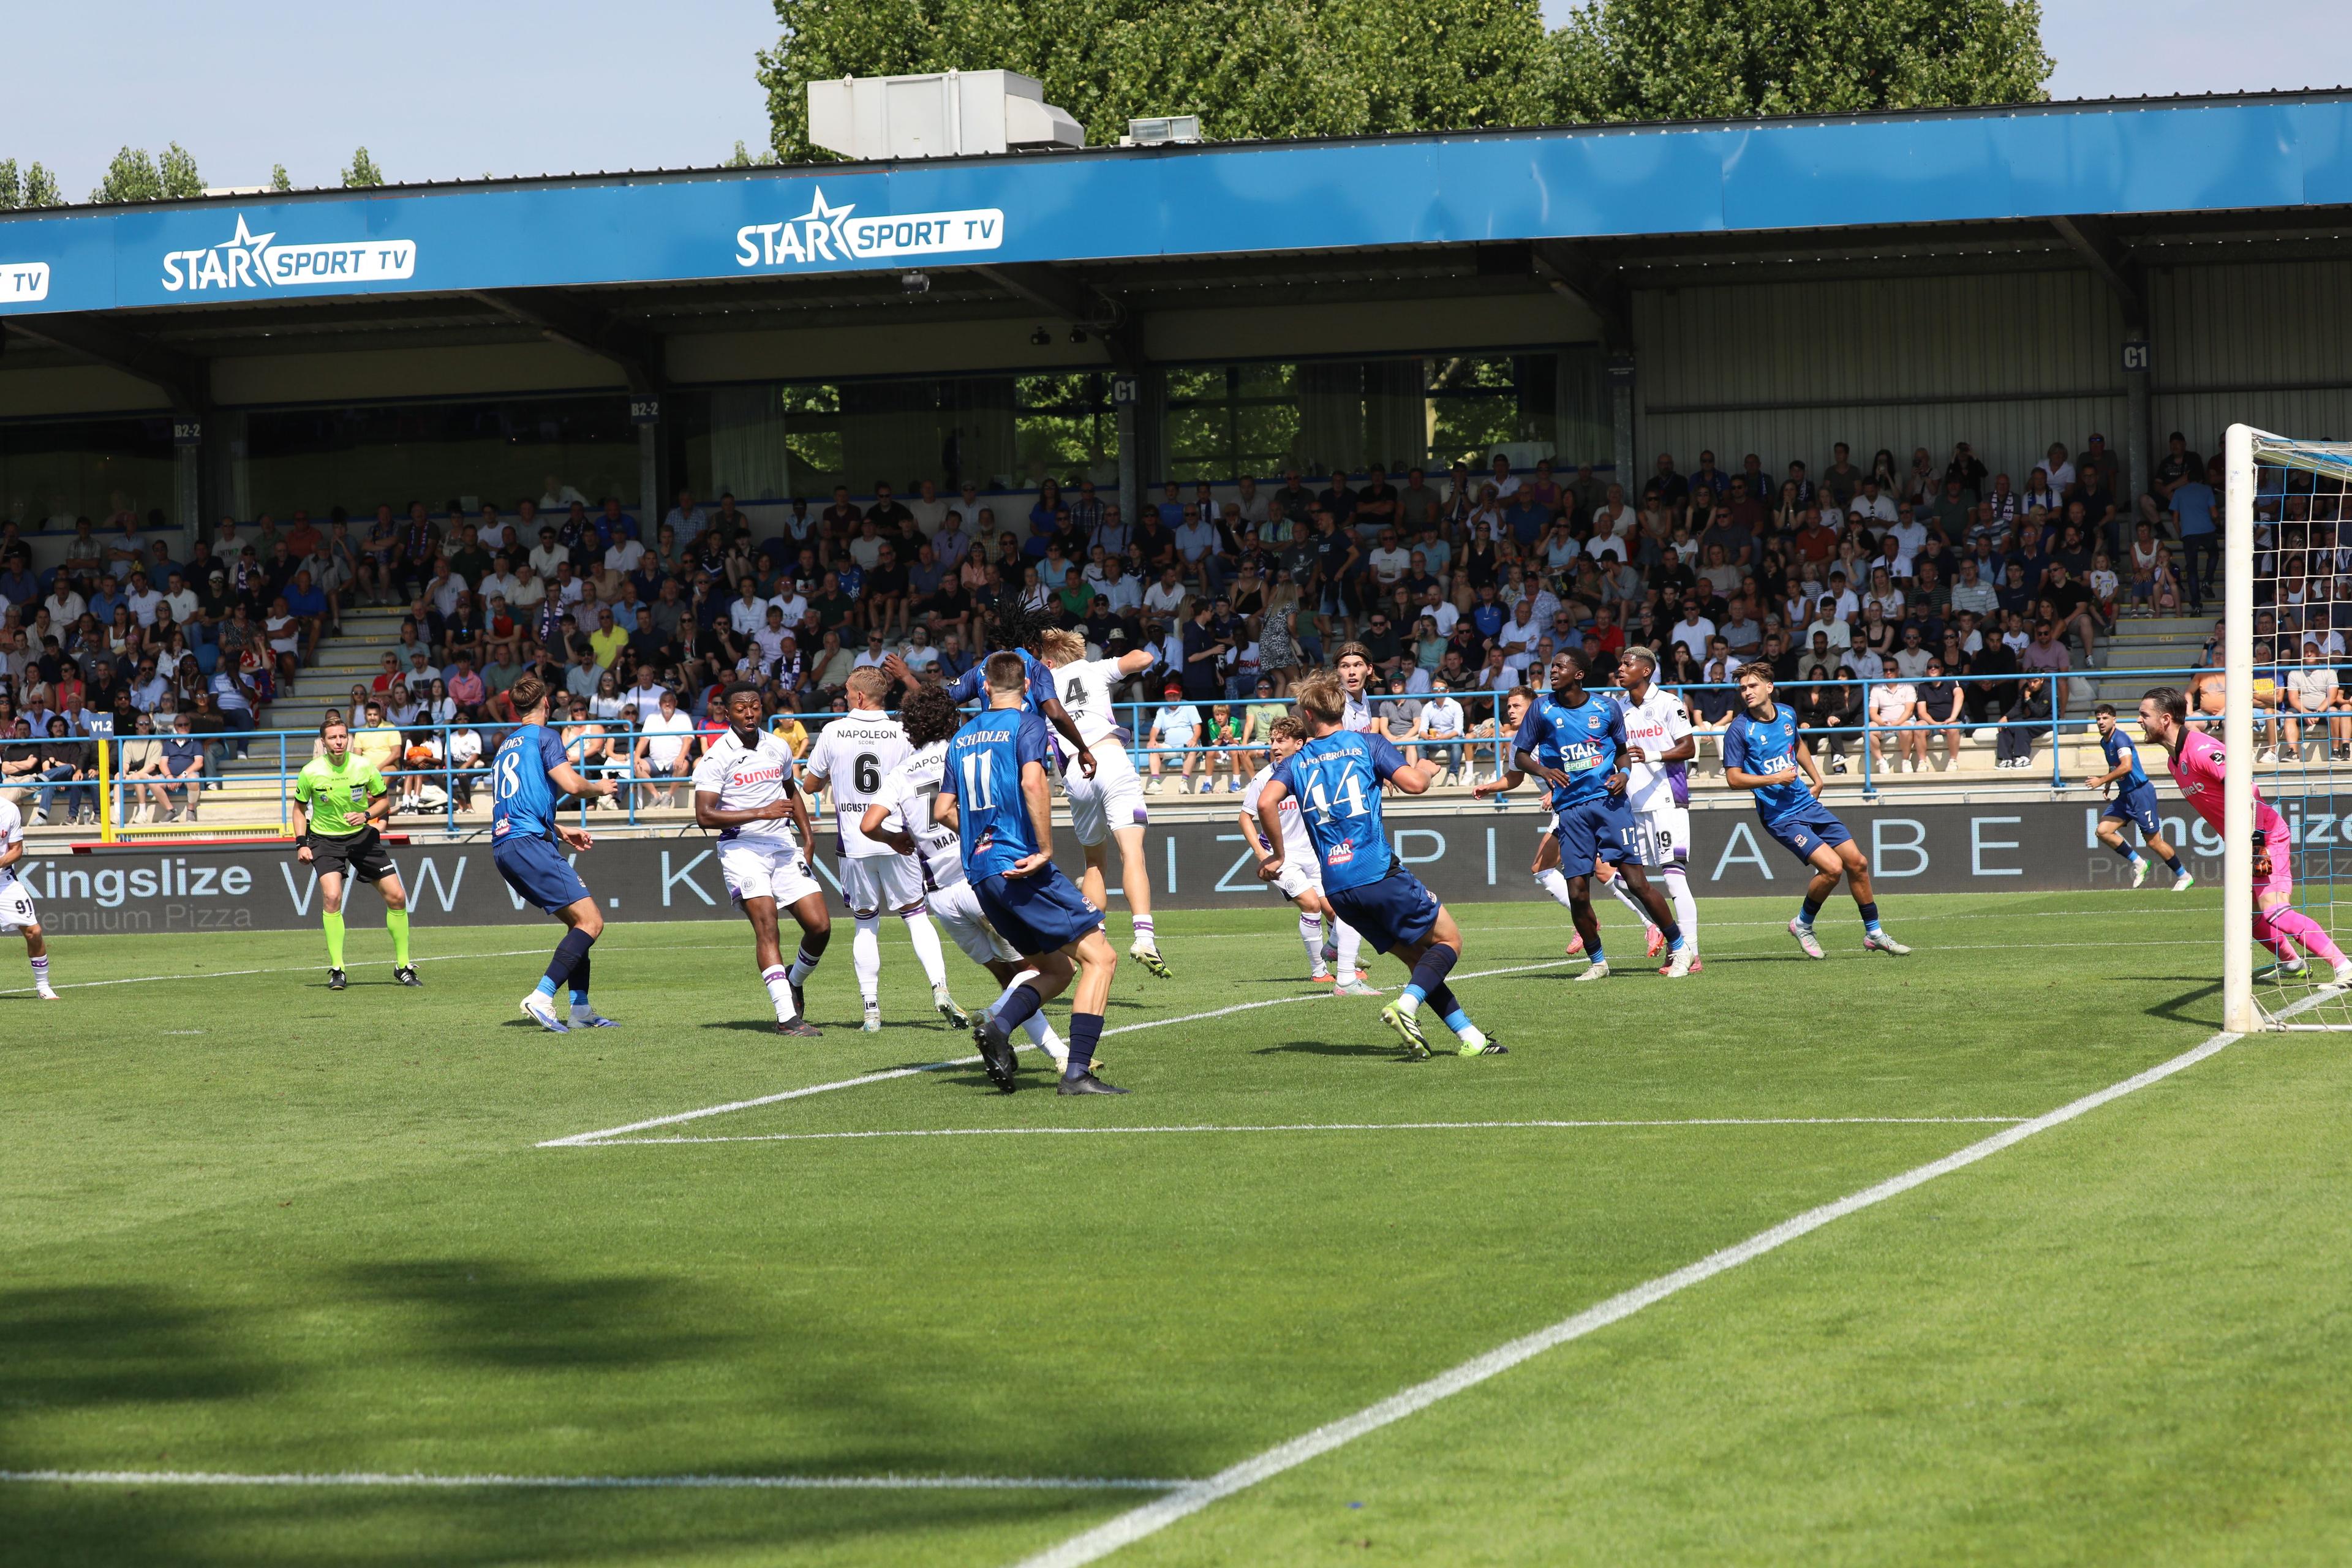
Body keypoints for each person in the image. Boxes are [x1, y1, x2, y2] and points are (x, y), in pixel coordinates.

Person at [1256, 669, 1504, 1058]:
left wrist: (1279, 855)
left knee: (1418, 960)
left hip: (1338, 890)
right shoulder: (1367, 744)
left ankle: (1470, 1036)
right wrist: (1425, 768)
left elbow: (1265, 802)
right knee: (1450, 941)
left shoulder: (1297, 760)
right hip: (1375, 871)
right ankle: (1405, 1007)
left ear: (1307, 716)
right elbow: (1415, 785)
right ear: (1343, 706)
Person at [937, 650, 1126, 1095]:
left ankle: (999, 1027)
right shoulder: (1027, 724)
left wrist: (980, 836)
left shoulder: (961, 736)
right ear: (1026, 687)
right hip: (1019, 866)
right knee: (1102, 958)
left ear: (983, 687)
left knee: (1056, 970)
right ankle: (1077, 1073)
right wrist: (1043, 849)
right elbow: (1033, 782)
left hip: (982, 874)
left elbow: (943, 810)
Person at [861, 684, 1069, 1066]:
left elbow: (869, 823)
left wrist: (896, 840)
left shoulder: (900, 773)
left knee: (1009, 977)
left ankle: (1054, 1053)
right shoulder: (963, 749)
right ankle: (995, 1021)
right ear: (952, 719)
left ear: (912, 729)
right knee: (1038, 970)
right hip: (982, 879)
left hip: (941, 897)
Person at [1500, 651, 1691, 981]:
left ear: (1579, 674)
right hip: (1570, 810)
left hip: (1609, 804)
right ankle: (1598, 962)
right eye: (1553, 666)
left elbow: (1621, 751)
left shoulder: (1606, 707)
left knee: (1636, 882)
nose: (1553, 671)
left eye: (1561, 666)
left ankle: (1680, 947)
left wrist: (1625, 775)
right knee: (1577, 891)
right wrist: (1544, 770)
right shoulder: (1542, 709)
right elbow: (1519, 756)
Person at [2141, 684, 2347, 983]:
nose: (2138, 720)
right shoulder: (2174, 762)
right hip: (2242, 842)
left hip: (2264, 835)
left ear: (2165, 719)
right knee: (2250, 919)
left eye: (2143, 715)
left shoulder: (2201, 749)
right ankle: (2293, 963)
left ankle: (2343, 966)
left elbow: (2246, 787)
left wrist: (2256, 840)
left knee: (2275, 911)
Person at [802, 667, 961, 1031]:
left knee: (866, 924)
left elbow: (810, 785)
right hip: (897, 836)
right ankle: (940, 988)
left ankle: (872, 1011)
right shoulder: (900, 731)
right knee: (916, 915)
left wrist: (834, 772)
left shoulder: (833, 731)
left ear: (857, 697)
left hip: (856, 841)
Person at [1722, 662, 1912, 959]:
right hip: (1779, 815)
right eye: (1743, 688)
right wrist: (1775, 778)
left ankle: (1874, 933)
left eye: (1753, 686)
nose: (1747, 692)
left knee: (1858, 863)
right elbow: (1733, 779)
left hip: (1806, 803)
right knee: (1832, 869)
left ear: (1769, 688)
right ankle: (1803, 924)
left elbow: (1796, 744)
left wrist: (1817, 778)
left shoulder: (1787, 713)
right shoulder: (1739, 729)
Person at [692, 681, 831, 1036]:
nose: (750, 713)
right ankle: (787, 1018)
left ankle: (794, 981)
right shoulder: (716, 756)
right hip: (742, 849)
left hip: (783, 845)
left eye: (755, 706)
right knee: (768, 925)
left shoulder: (777, 747)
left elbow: (790, 790)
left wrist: (809, 836)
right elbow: (705, 816)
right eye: (741, 708)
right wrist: (761, 812)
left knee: (820, 926)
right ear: (727, 712)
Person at [489, 674, 622, 1033]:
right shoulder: (546, 737)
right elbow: (573, 785)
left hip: (506, 845)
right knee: (592, 921)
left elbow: (519, 804)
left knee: (578, 924)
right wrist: (600, 787)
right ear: (546, 703)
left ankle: (580, 1010)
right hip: (529, 843)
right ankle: (542, 996)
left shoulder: (504, 746)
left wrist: (561, 831)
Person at [1038, 627, 1169, 976]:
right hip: (1109, 758)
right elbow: (1145, 658)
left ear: (1049, 660)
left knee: (1094, 864)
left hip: (1074, 774)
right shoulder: (1093, 669)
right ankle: (1144, 937)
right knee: (1132, 854)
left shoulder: (1041, 685)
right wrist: (1112, 663)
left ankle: (1096, 940)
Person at [1240, 714, 1373, 992]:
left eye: (1281, 740)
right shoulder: (1264, 778)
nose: (1274, 746)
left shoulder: (1311, 771)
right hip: (1282, 856)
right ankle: (1319, 970)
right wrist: (1261, 854)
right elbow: (1245, 817)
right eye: (1272, 741)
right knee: (1311, 905)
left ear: (1299, 744)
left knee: (1336, 910)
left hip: (1315, 853)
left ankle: (1342, 956)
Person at [292, 717, 417, 991]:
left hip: (362, 838)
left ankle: (403, 966)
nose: (338, 742)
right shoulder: (311, 772)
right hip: (325, 841)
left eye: (342, 737)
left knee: (397, 897)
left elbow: (384, 801)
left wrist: (365, 815)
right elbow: (299, 810)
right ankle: (338, 969)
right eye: (332, 738)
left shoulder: (364, 767)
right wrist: (302, 843)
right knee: (332, 896)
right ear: (323, 742)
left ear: (348, 739)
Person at [1611, 646, 1703, 971]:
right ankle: (1669, 935)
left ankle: (1690, 951)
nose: (1620, 669)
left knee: (1674, 877)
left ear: (1646, 670)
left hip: (1667, 798)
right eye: (1620, 664)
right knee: (1624, 878)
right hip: (1631, 803)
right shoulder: (1617, 707)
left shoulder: (1669, 703)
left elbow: (1689, 747)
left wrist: (1649, 755)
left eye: (1627, 664)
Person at [2085, 701, 2192, 891]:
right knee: (2103, 831)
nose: (2101, 722)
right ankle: (2139, 863)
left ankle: (2184, 875)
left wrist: (2101, 780)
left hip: (2141, 793)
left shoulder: (2121, 739)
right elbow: (2115, 766)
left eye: (2105, 718)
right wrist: (2109, 783)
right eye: (2098, 719)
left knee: (2153, 842)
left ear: (2114, 720)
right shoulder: (2105, 742)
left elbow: (2126, 766)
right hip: (2126, 795)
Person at [0, 791, 59, 1000]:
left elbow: (17, 850)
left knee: (34, 931)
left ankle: (43, 986)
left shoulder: (8, 810)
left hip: (4, 882)